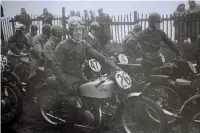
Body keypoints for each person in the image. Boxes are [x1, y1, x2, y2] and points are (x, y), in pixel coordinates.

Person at [52, 16, 121, 124]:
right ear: (70, 31)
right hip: (66, 79)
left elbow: (99, 56)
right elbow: (56, 67)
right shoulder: (62, 46)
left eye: (80, 30)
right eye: (75, 30)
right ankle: (70, 126)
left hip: (80, 76)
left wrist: (115, 67)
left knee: (91, 95)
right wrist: (66, 84)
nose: (78, 33)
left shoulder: (84, 44)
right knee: (73, 110)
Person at [136, 12, 180, 78]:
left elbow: (169, 42)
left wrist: (177, 52)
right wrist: (142, 53)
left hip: (158, 60)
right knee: (149, 80)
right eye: (157, 22)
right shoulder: (142, 33)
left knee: (163, 78)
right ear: (151, 22)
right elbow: (134, 43)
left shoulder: (160, 32)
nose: (159, 25)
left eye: (160, 23)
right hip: (147, 61)